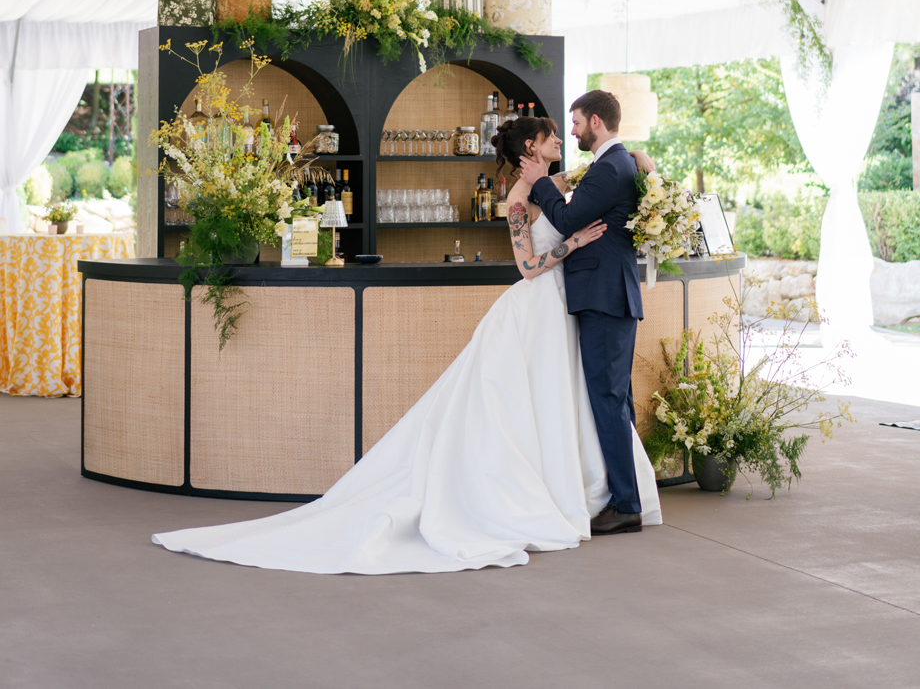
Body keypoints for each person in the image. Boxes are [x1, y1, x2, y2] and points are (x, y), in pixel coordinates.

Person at [152, 115, 660, 574]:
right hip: (536, 307)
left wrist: (638, 156)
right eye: (552, 136)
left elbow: (601, 175)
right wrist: (573, 243)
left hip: (566, 308)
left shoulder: (556, 182)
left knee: (563, 401)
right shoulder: (517, 200)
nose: (562, 140)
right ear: (532, 146)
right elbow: (527, 267)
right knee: (529, 404)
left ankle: (582, 487)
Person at [518, 89, 647, 536]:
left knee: (608, 400)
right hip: (607, 295)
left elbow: (569, 221)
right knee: (616, 399)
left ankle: (626, 504)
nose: (570, 131)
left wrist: (539, 180)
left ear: (595, 121)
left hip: (604, 297)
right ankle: (630, 493)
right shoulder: (618, 163)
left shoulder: (610, 167)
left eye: (574, 122)